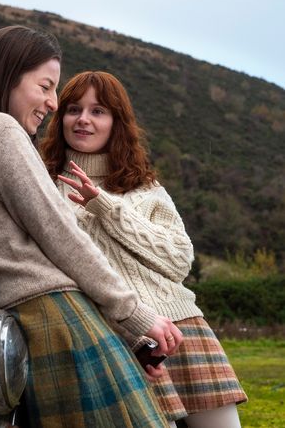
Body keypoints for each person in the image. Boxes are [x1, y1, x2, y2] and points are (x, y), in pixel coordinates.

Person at [0, 26, 181, 428]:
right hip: (56, 320)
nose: (51, 102)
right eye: (45, 86)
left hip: (36, 320)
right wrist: (136, 316)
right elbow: (61, 236)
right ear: (8, 76)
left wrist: (126, 333)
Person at [40, 71, 247, 428]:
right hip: (114, 334)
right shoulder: (38, 180)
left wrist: (104, 206)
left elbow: (179, 260)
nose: (83, 120)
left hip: (181, 327)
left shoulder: (144, 187)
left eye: (98, 111)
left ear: (116, 122)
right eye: (74, 109)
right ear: (61, 118)